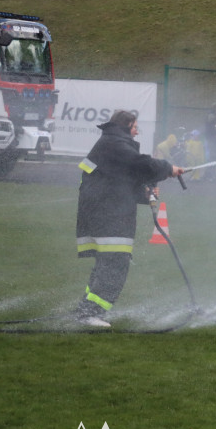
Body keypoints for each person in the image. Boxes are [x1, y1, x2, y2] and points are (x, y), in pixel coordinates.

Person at [75, 110, 185, 328]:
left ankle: (86, 309)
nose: (137, 132)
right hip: (108, 215)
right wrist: (168, 168)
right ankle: (91, 313)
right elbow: (140, 163)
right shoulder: (115, 143)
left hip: (103, 211)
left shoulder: (111, 143)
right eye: (135, 127)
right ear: (126, 125)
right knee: (116, 264)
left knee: (106, 264)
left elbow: (120, 180)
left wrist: (143, 194)